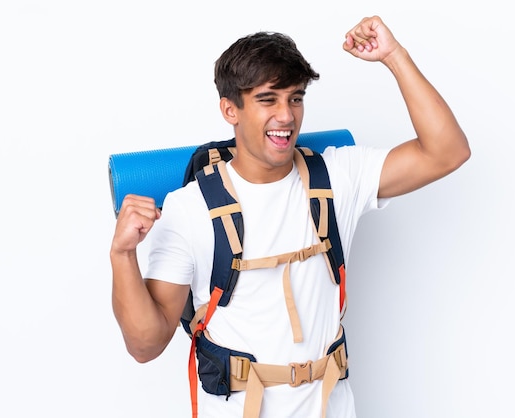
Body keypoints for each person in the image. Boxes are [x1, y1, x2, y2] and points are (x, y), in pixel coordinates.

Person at [110, 15, 470, 418]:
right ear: (230, 109)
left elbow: (447, 152)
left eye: (295, 98)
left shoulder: (337, 176)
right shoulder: (189, 209)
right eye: (268, 99)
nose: (286, 116)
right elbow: (146, 345)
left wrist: (394, 56)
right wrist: (122, 255)